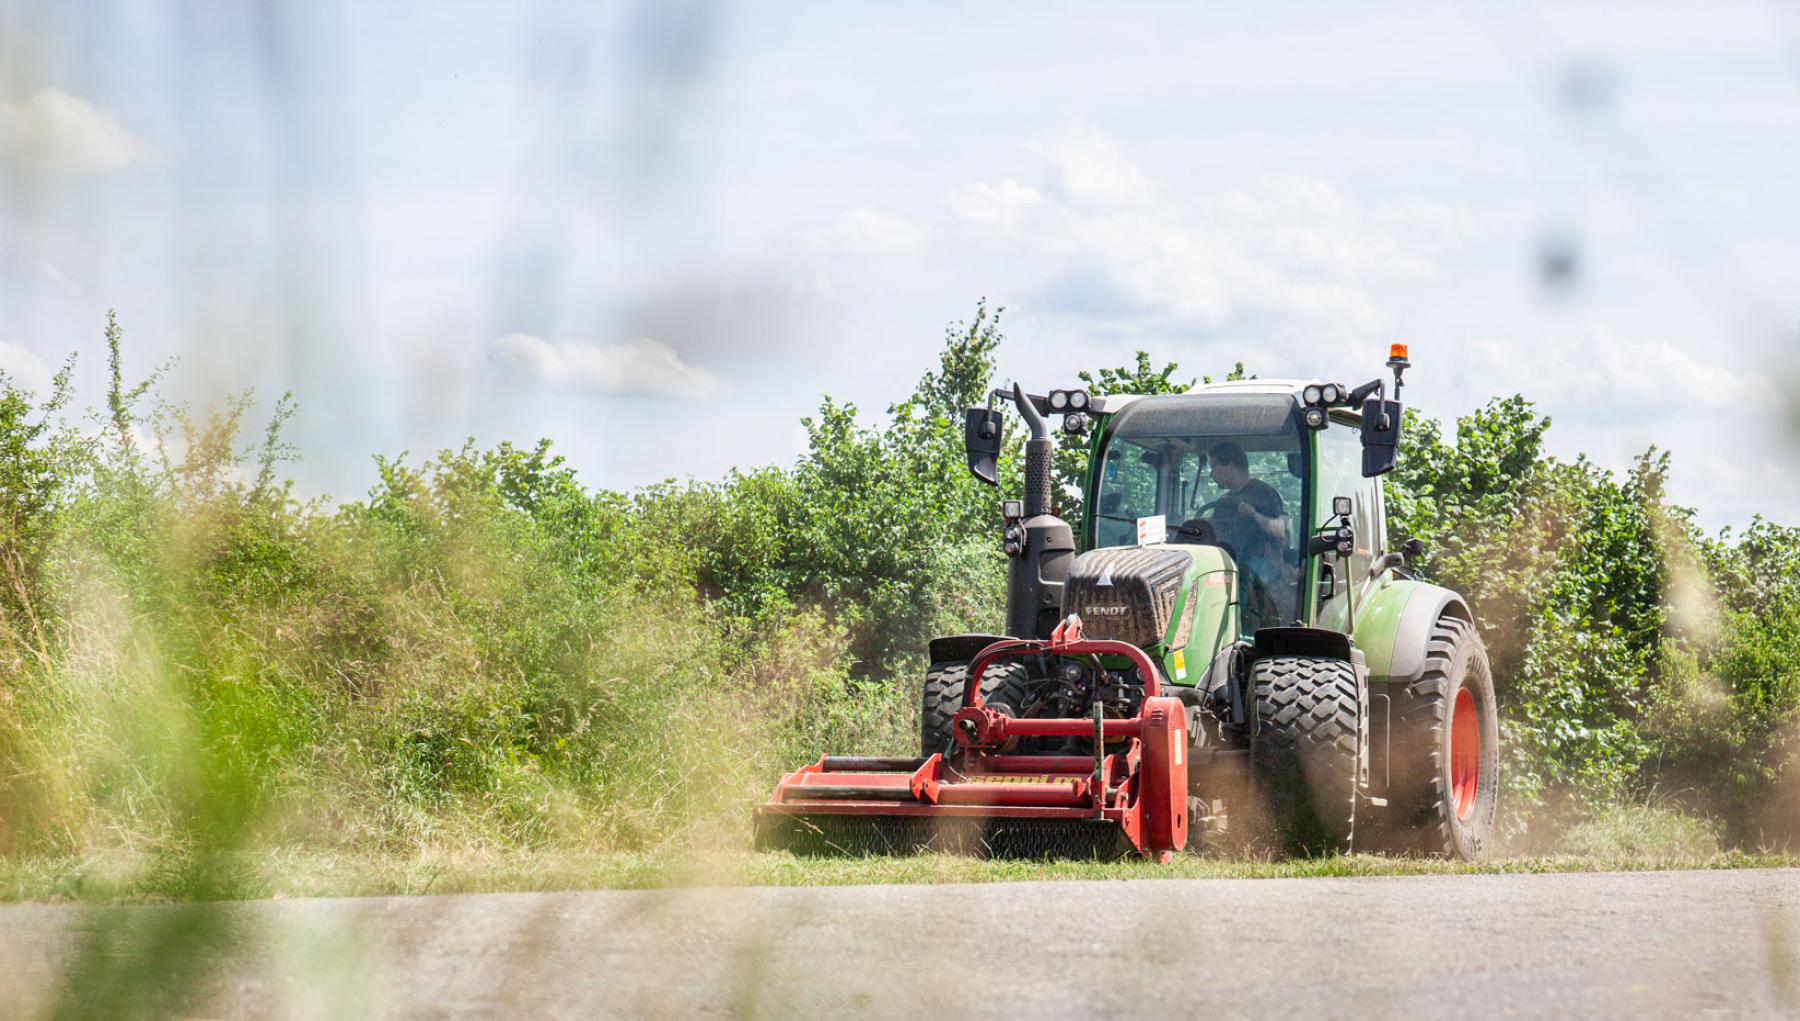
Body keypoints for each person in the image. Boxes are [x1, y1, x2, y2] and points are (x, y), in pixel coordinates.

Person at [1206, 441, 1293, 626]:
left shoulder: (1264, 494)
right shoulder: (1223, 502)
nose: (1211, 473)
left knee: (1245, 579)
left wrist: (1255, 515)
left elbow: (1281, 532)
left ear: (1230, 464)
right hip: (1228, 563)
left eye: (1214, 466)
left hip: (1261, 566)